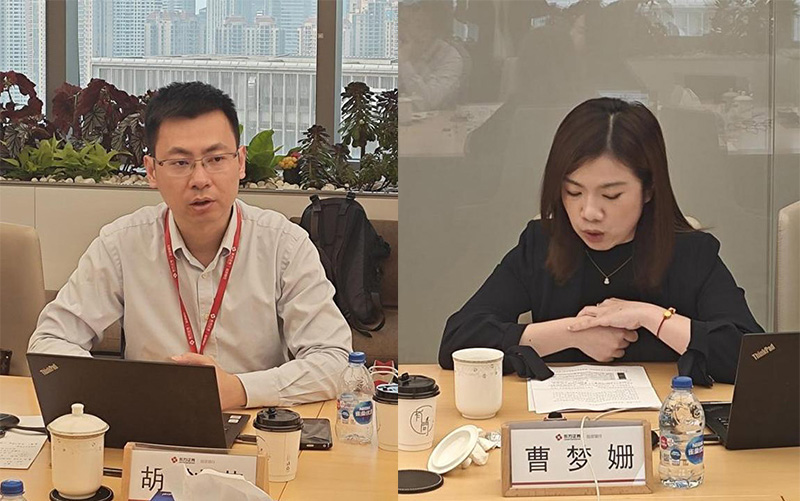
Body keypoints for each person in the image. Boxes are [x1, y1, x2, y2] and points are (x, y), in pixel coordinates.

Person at [28, 82, 352, 409]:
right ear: (152, 171)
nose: (200, 179)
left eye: (216, 158)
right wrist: (123, 390)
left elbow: (336, 361)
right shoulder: (122, 243)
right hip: (151, 422)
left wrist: (240, 389)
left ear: (240, 162)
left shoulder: (284, 244)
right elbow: (50, 342)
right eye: (180, 163)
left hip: (256, 422)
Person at [439, 97, 762, 385]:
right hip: (558, 422)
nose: (589, 213)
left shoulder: (692, 253)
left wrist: (650, 316)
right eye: (573, 192)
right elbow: (458, 340)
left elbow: (754, 359)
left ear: (649, 189)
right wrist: (572, 334)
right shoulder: (543, 243)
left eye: (611, 195)